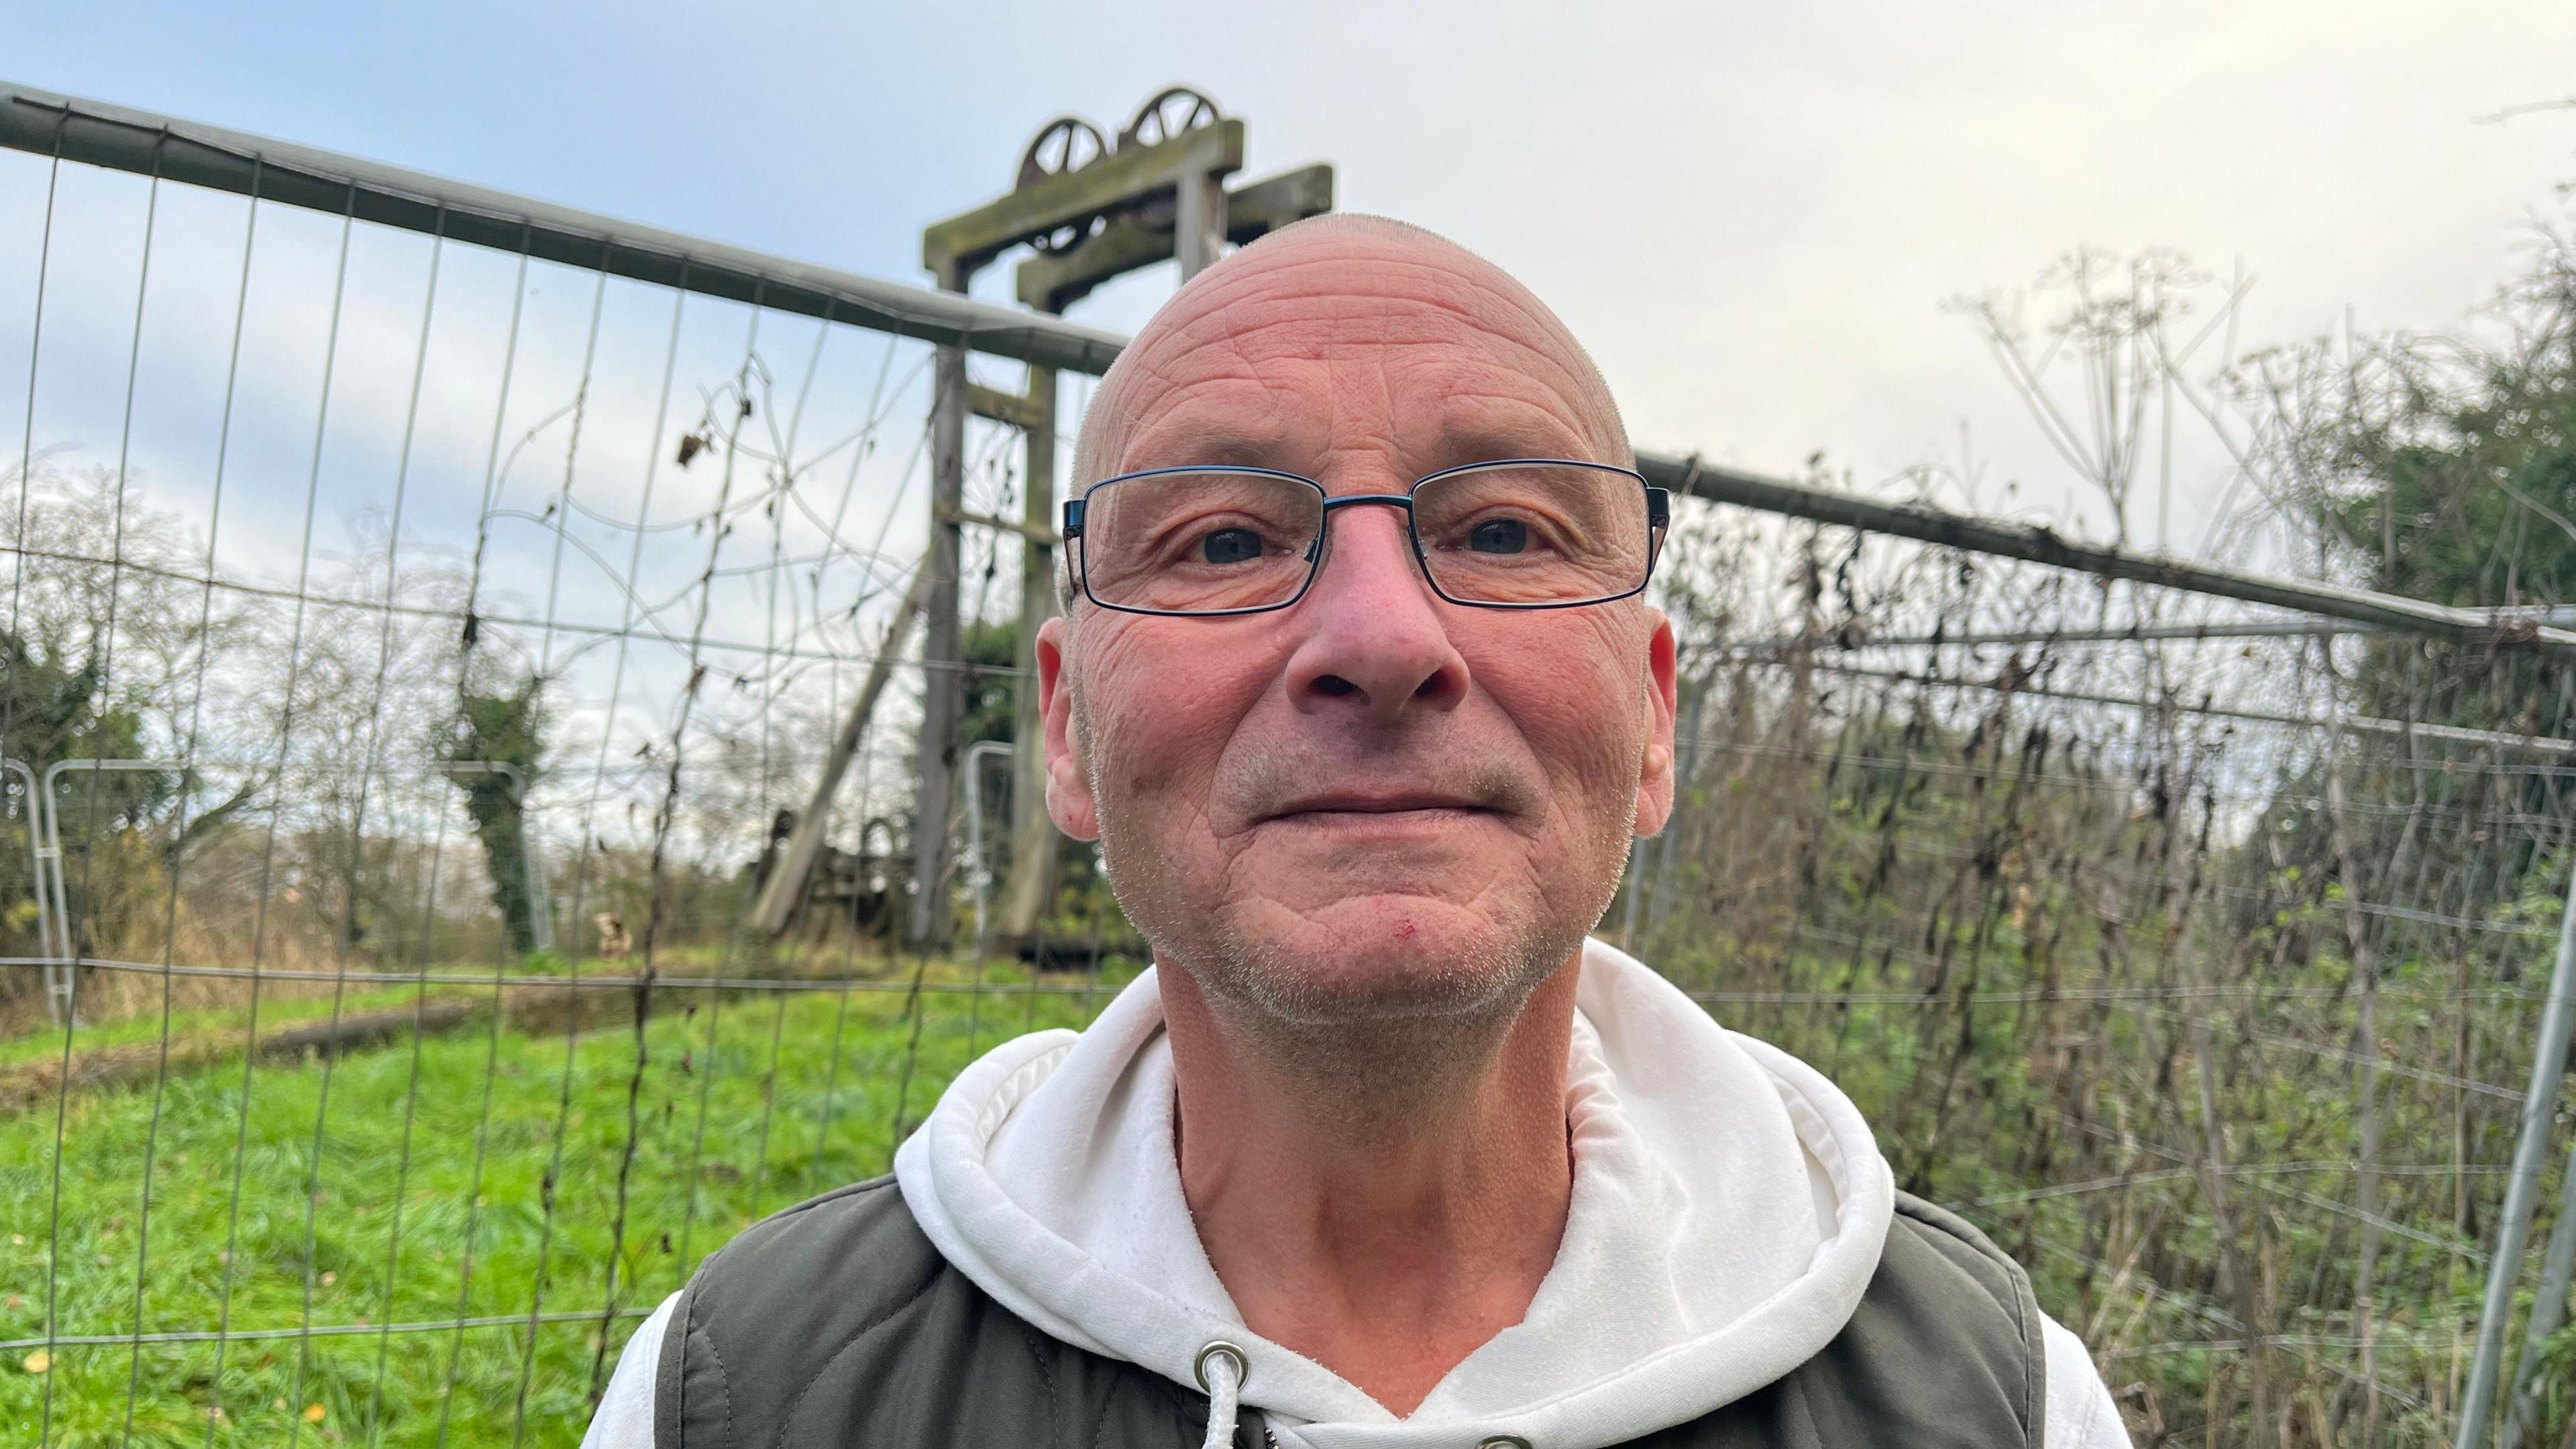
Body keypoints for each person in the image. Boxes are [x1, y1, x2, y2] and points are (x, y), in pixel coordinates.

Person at [582, 213, 2131, 1448]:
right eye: (1227, 538)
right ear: (1066, 729)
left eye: (1506, 530)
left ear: (1654, 716)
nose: (1382, 637)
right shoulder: (730, 1400)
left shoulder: (2002, 1406)